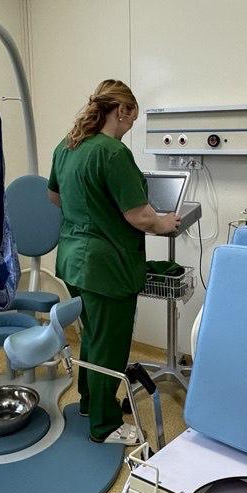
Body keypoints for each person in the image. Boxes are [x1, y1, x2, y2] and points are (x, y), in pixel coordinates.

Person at [47, 80, 180, 444]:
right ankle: (105, 425)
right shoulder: (113, 153)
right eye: (132, 118)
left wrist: (92, 211)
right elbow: (140, 216)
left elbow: (54, 197)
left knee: (93, 336)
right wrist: (164, 222)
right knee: (110, 345)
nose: (131, 126)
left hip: (73, 260)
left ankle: (91, 402)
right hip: (105, 268)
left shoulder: (67, 146)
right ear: (121, 110)